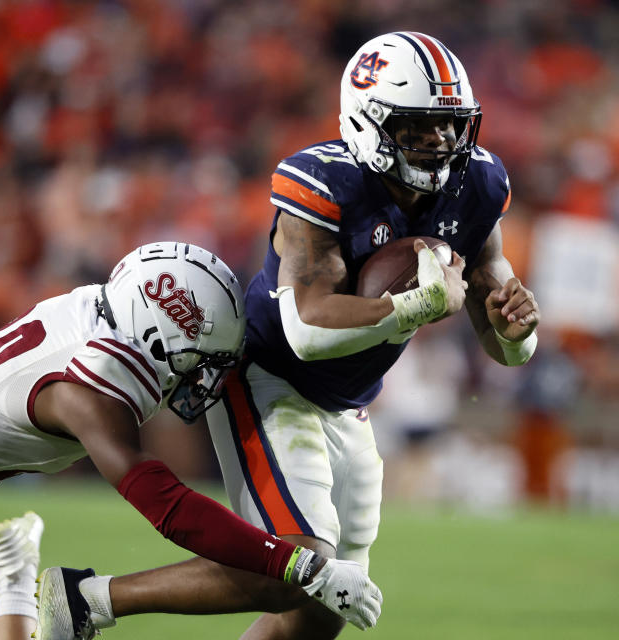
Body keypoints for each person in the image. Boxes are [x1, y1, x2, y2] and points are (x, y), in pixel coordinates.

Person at [39, 32, 540, 640]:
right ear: (370, 121)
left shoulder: (478, 183)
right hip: (270, 378)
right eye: (417, 127)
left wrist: (515, 332)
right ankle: (87, 600)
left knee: (319, 613)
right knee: (300, 568)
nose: (439, 143)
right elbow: (306, 328)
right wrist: (409, 307)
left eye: (448, 126)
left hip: (349, 402)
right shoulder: (324, 183)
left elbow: (501, 332)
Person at [0, 242, 382, 640]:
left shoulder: (97, 311)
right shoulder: (87, 391)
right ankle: (18, 585)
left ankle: (17, 582)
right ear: (154, 337)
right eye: (198, 361)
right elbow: (166, 505)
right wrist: (296, 563)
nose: (200, 378)